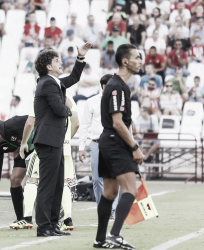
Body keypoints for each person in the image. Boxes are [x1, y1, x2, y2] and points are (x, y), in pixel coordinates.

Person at [32, 42, 91, 237]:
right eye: (57, 60)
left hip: (54, 140)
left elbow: (74, 77)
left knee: (57, 185)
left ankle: (52, 225)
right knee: (48, 185)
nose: (60, 62)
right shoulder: (48, 82)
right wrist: (70, 109)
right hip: (48, 140)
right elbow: (59, 109)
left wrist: (80, 57)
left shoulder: (54, 82)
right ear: (48, 66)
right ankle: (44, 226)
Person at [94, 44, 143, 249]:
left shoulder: (117, 85)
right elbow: (117, 122)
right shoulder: (118, 86)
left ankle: (100, 239)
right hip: (115, 141)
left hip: (107, 140)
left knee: (109, 193)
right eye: (137, 58)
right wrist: (134, 147)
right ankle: (114, 235)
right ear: (125, 61)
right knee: (130, 190)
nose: (140, 61)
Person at [21, 95, 79, 231]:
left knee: (32, 180)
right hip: (65, 148)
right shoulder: (68, 98)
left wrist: (24, 142)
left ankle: (27, 218)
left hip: (46, 145)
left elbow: (30, 122)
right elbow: (76, 123)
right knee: (64, 182)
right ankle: (67, 220)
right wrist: (66, 140)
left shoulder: (40, 97)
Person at [0, 115, 35, 229]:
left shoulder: (13, 125)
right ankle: (21, 219)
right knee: (15, 179)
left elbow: (34, 119)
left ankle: (54, 215)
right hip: (26, 151)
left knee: (34, 181)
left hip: (41, 146)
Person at [78, 75, 119, 218]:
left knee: (114, 178)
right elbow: (84, 125)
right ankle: (104, 208)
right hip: (96, 143)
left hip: (114, 144)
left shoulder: (118, 102)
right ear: (103, 86)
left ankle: (112, 210)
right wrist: (81, 147)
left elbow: (126, 123)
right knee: (96, 180)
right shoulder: (91, 102)